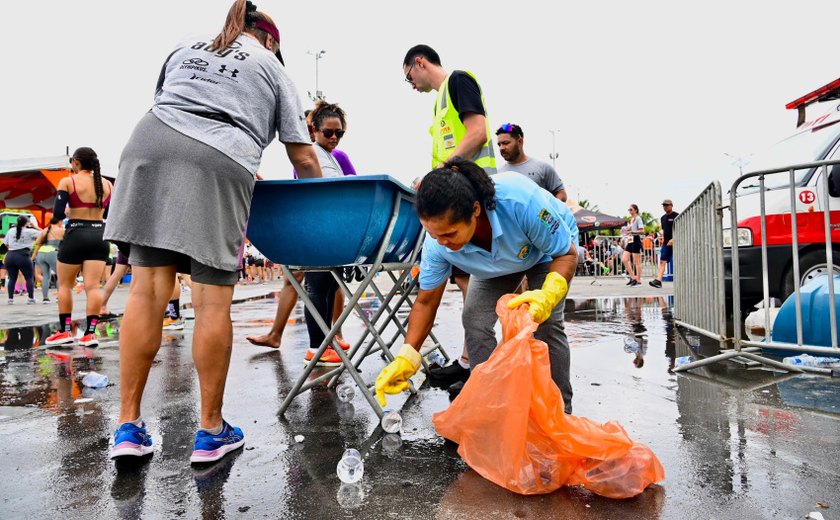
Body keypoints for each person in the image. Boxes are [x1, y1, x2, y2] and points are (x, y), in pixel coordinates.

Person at [103, 0, 321, 464]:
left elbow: (175, 107)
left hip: (148, 142)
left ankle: (127, 428)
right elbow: (303, 158)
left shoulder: (184, 47)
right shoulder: (272, 67)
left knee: (146, 290)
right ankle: (210, 430)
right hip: (220, 156)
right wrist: (320, 215)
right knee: (210, 298)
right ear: (270, 41)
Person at [374, 158, 578, 410]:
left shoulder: (519, 201)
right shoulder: (437, 245)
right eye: (434, 234)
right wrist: (407, 355)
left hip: (547, 252)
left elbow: (566, 253)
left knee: (545, 325)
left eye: (449, 234)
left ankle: (559, 410)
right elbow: (426, 302)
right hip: (497, 261)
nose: (442, 242)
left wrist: (548, 295)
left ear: (476, 210)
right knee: (474, 320)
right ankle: (490, 400)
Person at [403, 44, 497, 389]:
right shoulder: (440, 101)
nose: (410, 82)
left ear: (420, 62)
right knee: (465, 281)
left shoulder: (458, 82)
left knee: (476, 283)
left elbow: (479, 132)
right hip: (456, 194)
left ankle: (479, 364)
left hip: (470, 195)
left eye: (408, 75)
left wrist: (442, 170)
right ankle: (469, 359)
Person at [299, 101, 354, 366]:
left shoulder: (329, 156)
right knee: (318, 288)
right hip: (316, 229)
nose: (334, 138)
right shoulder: (310, 152)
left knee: (331, 287)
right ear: (314, 131)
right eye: (328, 133)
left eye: (339, 133)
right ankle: (315, 346)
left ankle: (327, 338)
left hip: (331, 230)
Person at [43, 148, 113, 347]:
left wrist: (67, 211)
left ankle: (65, 331)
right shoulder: (107, 184)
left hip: (76, 233)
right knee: (92, 287)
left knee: (65, 285)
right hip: (100, 235)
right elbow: (110, 211)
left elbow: (57, 214)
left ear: (76, 162)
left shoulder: (68, 181)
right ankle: (89, 334)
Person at [495, 123, 567, 201]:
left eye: (505, 143)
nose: (501, 148)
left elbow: (561, 194)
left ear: (520, 141)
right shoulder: (498, 174)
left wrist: (549, 210)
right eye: (499, 144)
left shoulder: (542, 168)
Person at [3, 216, 40, 304]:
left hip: (10, 255)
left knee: (12, 278)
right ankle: (31, 298)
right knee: (28, 277)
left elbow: (6, 243)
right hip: (23, 255)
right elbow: (44, 233)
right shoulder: (30, 231)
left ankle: (10, 299)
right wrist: (35, 226)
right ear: (27, 223)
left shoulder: (11, 230)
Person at [32, 217, 65, 303]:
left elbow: (37, 243)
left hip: (41, 253)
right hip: (53, 252)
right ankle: (59, 297)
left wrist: (34, 256)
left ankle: (45, 298)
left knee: (46, 277)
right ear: (59, 221)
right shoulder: (61, 230)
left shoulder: (45, 230)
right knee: (61, 275)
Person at [650, 199, 679, 288]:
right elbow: (665, 230)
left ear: (671, 205)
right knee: (662, 261)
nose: (665, 207)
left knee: (679, 262)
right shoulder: (663, 218)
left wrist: (674, 239)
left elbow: (682, 229)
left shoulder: (677, 216)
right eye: (664, 205)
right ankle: (658, 280)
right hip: (666, 243)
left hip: (677, 242)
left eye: (667, 205)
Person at [622, 204, 644, 287]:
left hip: (636, 240)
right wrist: (629, 230)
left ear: (635, 210)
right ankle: (633, 278)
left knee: (636, 262)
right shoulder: (631, 219)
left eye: (631, 209)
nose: (629, 211)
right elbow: (631, 230)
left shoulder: (638, 218)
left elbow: (642, 231)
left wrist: (632, 232)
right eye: (629, 210)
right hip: (630, 240)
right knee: (624, 259)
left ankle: (638, 280)